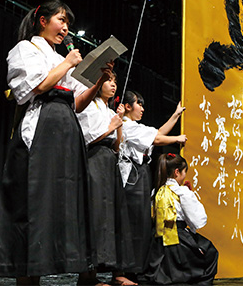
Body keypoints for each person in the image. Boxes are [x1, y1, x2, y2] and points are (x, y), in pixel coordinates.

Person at [0, 0, 113, 285]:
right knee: (35, 199)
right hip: (41, 127)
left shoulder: (60, 58)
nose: (64, 28)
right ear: (42, 20)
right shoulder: (26, 48)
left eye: (67, 24)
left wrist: (98, 81)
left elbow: (77, 102)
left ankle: (70, 265)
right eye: (61, 20)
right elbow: (34, 87)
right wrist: (68, 63)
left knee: (66, 199)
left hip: (66, 127)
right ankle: (28, 275)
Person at [118, 91, 188, 280]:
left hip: (141, 175)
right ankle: (126, 270)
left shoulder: (136, 127)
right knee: (132, 223)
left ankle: (137, 268)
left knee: (141, 222)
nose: (142, 108)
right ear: (127, 106)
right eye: (138, 104)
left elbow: (156, 134)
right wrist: (177, 139)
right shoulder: (126, 125)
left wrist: (175, 115)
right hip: (131, 178)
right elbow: (157, 139)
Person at [76, 72, 136, 285]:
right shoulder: (88, 107)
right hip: (94, 159)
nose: (113, 85)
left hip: (109, 160)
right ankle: (87, 276)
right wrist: (110, 127)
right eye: (109, 80)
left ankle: (117, 272)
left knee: (114, 214)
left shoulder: (109, 110)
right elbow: (85, 137)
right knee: (95, 214)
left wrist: (118, 126)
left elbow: (118, 145)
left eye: (115, 81)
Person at [145, 153, 218, 284]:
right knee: (211, 252)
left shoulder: (156, 191)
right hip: (179, 241)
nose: (185, 176)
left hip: (157, 242)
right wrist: (189, 194)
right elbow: (197, 220)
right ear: (177, 172)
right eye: (184, 172)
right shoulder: (182, 192)